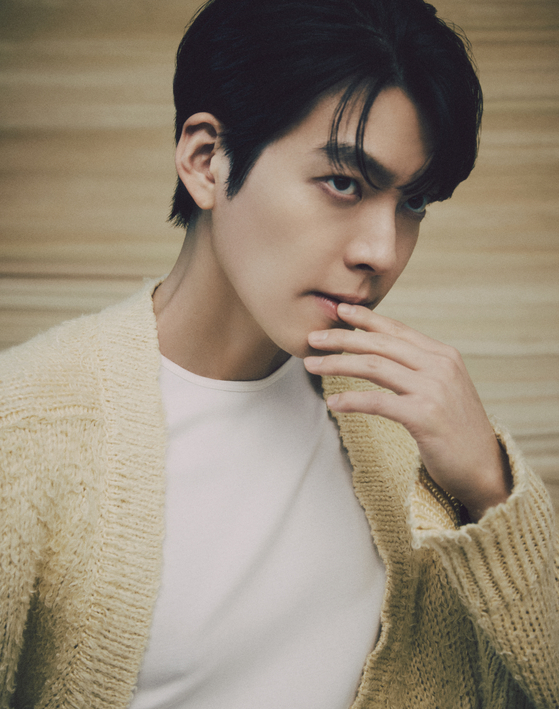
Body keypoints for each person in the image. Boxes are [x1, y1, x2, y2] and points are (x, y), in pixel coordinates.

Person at [0, 0, 557, 706]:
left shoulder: (415, 428)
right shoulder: (23, 432)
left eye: (412, 203)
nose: (382, 250)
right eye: (343, 183)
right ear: (206, 161)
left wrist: (490, 489)